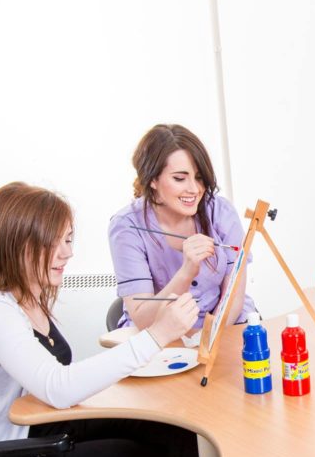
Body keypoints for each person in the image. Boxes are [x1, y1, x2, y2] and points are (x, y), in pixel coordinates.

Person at [0, 182, 204, 457]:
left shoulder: (26, 297)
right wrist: (156, 336)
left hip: (42, 421)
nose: (67, 253)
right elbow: (57, 386)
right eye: (54, 242)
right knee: (142, 456)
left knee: (171, 424)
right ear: (16, 243)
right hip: (15, 455)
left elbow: (54, 381)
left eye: (67, 240)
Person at [108, 124, 254, 331]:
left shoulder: (221, 212)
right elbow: (143, 319)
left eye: (199, 177)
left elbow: (234, 297)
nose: (194, 189)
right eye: (179, 178)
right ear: (152, 180)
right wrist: (186, 272)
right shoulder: (127, 226)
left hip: (225, 327)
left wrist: (207, 343)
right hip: (159, 334)